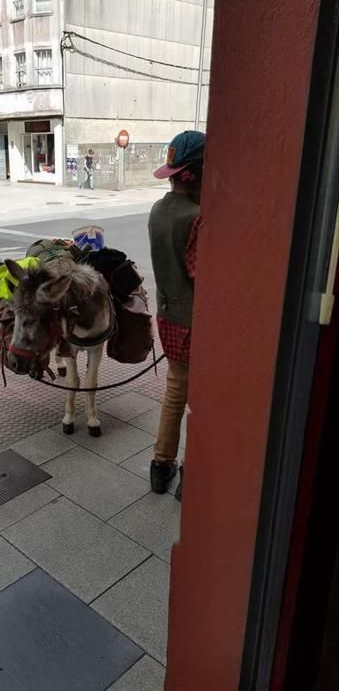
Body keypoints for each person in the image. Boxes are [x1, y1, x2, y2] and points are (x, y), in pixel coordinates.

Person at [148, 130, 205, 501]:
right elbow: (203, 277)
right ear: (199, 173)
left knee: (174, 393)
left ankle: (160, 464)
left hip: (167, 316)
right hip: (194, 323)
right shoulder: (197, 218)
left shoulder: (158, 209)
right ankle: (190, 472)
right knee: (199, 400)